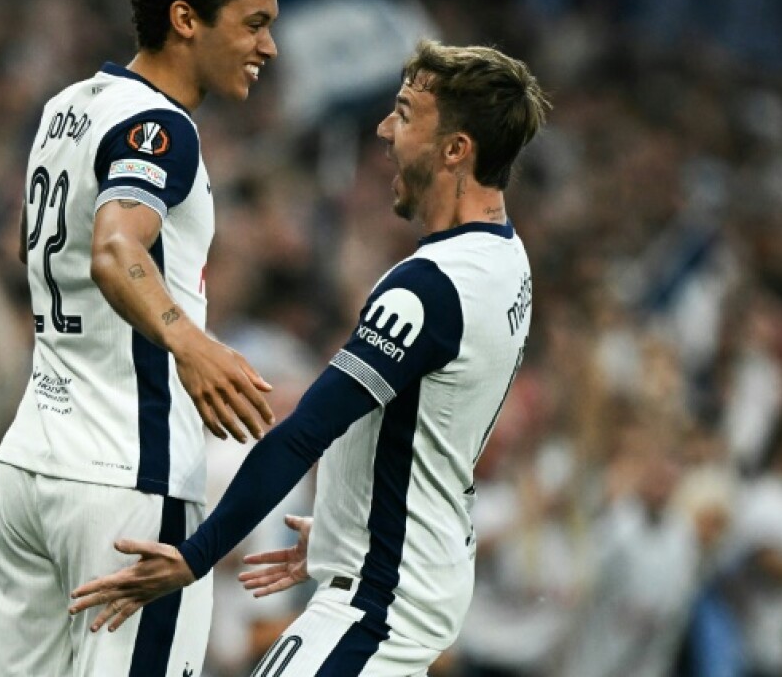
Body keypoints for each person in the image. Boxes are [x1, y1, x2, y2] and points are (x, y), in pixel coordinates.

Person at [69, 39, 550, 676]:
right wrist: (342, 532)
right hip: (413, 573)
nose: (383, 130)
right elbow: (429, 419)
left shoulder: (430, 288)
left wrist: (193, 557)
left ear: (457, 149)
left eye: (404, 115)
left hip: (379, 602)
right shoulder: (509, 260)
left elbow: (302, 435)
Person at [0, 0, 287, 677]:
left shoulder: (67, 108)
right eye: (253, 24)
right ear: (186, 19)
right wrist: (191, 341)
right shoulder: (161, 126)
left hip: (26, 468)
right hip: (126, 485)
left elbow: (38, 250)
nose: (268, 47)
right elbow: (116, 248)